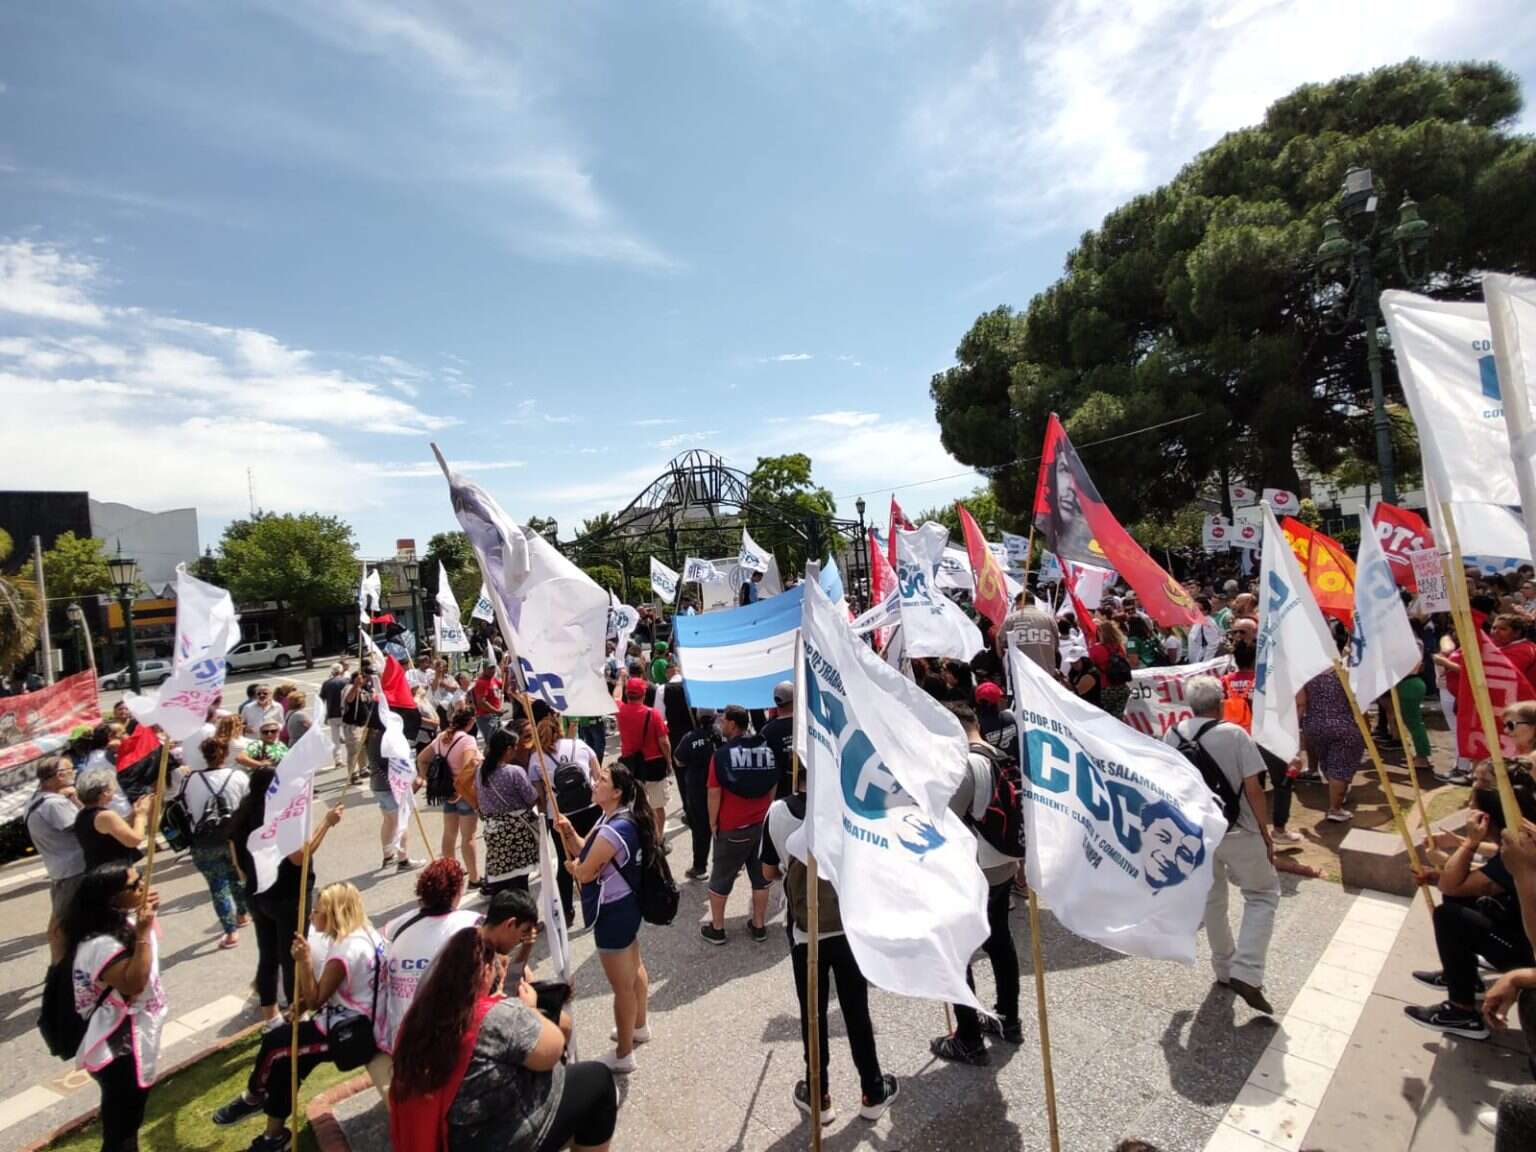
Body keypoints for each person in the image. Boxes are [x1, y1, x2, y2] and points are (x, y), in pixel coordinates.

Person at [389, 927, 617, 1152]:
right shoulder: (494, 1016)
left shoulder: (417, 1020)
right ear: (486, 971)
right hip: (496, 1138)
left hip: (441, 1135)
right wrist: (530, 1009)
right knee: (598, 1080)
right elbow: (553, 1049)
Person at [760, 763, 898, 1123]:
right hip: (848, 927)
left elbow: (768, 871)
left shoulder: (778, 812)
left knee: (813, 1014)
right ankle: (873, 1090)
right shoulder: (850, 808)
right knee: (856, 1010)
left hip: (805, 932)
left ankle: (818, 1093)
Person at [216, 882, 383, 1151]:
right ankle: (274, 1137)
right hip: (354, 1017)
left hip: (352, 1032)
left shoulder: (345, 952)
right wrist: (302, 1005)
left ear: (335, 914)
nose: (310, 916)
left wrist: (304, 962)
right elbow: (334, 992)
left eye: (316, 912)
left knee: (276, 1042)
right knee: (286, 1062)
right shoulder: (364, 933)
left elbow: (317, 999)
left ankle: (255, 1095)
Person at [1167, 676, 1279, 1014]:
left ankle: (1225, 968)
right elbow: (1254, 787)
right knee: (1262, 894)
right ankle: (1248, 970)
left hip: (1198, 831)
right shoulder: (1234, 734)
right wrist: (1265, 830)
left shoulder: (1173, 734)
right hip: (1240, 828)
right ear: (1220, 703)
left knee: (1212, 899)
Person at [1404, 776, 1536, 1039]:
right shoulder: (1523, 841)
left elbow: (1452, 885)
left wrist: (1469, 842)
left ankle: (1461, 1011)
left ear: (1487, 817)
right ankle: (1464, 977)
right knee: (1459, 901)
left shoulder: (1520, 855)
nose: (1467, 807)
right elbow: (1477, 881)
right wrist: (1439, 871)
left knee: (1449, 915)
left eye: (1471, 805)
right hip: (1520, 934)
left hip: (1527, 956)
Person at [931, 703, 1024, 1064]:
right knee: (1000, 939)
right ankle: (1008, 1018)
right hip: (1003, 864)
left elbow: (944, 820)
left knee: (956, 952)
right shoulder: (999, 756)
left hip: (974, 871)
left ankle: (968, 1037)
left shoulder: (965, 765)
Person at [555, 763, 651, 1074]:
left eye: (603, 780)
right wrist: (570, 833)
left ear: (617, 792)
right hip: (627, 905)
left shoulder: (614, 827)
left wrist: (573, 869)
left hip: (614, 910)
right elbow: (587, 850)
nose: (595, 782)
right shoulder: (613, 817)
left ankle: (624, 1054)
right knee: (634, 967)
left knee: (621, 987)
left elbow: (585, 871)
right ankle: (638, 1027)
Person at [63, 863, 166, 1152]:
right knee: (122, 1131)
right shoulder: (100, 944)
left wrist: (145, 920)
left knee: (127, 1122)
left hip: (129, 1038)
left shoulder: (120, 924)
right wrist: (143, 931)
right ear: (111, 899)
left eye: (141, 879)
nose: (143, 886)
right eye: (134, 886)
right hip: (118, 1046)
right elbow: (134, 983)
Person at [228, 772, 345, 1025]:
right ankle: (297, 1016)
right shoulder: (279, 817)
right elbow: (299, 857)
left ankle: (271, 1018)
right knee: (293, 956)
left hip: (256, 893)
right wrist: (326, 823)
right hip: (287, 895)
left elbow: (238, 866)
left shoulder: (242, 816)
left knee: (267, 955)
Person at [380, 859, 481, 1056]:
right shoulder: (471, 923)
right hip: (444, 1038)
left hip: (398, 1038)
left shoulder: (395, 926)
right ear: (457, 891)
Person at [703, 704, 778, 945]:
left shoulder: (721, 755)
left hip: (732, 827)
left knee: (721, 878)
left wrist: (713, 823)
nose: (720, 724)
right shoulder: (766, 750)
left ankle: (717, 928)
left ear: (733, 725)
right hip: (761, 825)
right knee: (760, 878)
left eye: (723, 720)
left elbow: (714, 792)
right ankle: (758, 925)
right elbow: (773, 783)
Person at [525, 710, 601, 928]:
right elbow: (597, 776)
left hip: (559, 814)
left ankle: (567, 911)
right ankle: (597, 900)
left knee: (565, 861)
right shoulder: (580, 745)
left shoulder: (536, 758)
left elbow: (539, 795)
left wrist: (544, 814)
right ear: (560, 728)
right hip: (590, 808)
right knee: (593, 854)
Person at [182, 731, 252, 949]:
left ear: (204, 755)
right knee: (237, 877)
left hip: (203, 841)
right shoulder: (239, 777)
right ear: (226, 753)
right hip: (235, 838)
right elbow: (249, 806)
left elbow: (185, 807)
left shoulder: (190, 780)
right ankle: (242, 913)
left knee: (217, 885)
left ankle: (230, 932)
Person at [1299, 639, 1364, 822]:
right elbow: (1357, 699)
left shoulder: (1306, 674)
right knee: (1340, 766)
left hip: (1314, 726)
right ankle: (1335, 807)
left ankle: (1338, 794)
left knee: (1328, 763)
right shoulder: (1345, 673)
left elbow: (1301, 701)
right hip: (1343, 726)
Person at [25, 756, 83, 960]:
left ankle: (58, 968)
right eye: (70, 769)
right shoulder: (55, 804)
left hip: (60, 870)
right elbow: (87, 825)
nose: (73, 772)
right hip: (76, 870)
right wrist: (76, 800)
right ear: (59, 776)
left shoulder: (36, 800)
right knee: (69, 926)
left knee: (59, 926)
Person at [418, 708, 482, 889]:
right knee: (468, 837)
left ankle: (450, 873)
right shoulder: (468, 740)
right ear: (470, 722)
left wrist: (428, 779)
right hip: (463, 793)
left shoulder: (442, 737)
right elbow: (467, 768)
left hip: (446, 791)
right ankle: (475, 878)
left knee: (449, 833)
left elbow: (422, 758)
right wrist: (462, 792)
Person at [478, 725, 542, 896]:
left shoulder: (480, 771)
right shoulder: (514, 772)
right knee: (520, 883)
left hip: (493, 831)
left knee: (501, 883)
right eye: (515, 746)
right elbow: (531, 798)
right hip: (517, 833)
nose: (517, 749)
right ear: (507, 749)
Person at [616, 677, 671, 845]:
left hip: (631, 765)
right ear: (644, 694)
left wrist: (620, 680)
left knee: (636, 805)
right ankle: (658, 840)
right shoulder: (653, 714)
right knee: (657, 805)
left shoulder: (619, 710)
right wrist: (669, 762)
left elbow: (615, 697)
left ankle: (640, 840)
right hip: (654, 764)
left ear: (627, 693)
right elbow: (664, 742)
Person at [672, 708, 721, 881]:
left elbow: (678, 759)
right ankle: (728, 865)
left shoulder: (690, 737)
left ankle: (700, 868)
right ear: (715, 717)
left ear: (698, 718)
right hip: (721, 789)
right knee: (722, 827)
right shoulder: (721, 734)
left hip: (697, 790)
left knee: (700, 830)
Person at [73, 767, 151, 870]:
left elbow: (120, 831)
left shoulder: (83, 815)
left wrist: (135, 814)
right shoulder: (105, 816)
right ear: (105, 792)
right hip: (114, 871)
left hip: (103, 870)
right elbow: (134, 840)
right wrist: (141, 815)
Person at [759, 681, 796, 795]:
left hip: (778, 793)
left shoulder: (767, 730)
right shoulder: (805, 725)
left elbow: (763, 766)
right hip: (807, 791)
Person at [341, 670, 373, 785]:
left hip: (363, 724)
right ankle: (353, 775)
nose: (367, 680)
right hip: (352, 725)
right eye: (365, 678)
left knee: (362, 748)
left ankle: (363, 768)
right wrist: (355, 685)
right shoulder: (349, 688)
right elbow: (349, 699)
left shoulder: (362, 689)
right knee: (353, 751)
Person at [974, 681, 1017, 758]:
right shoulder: (1010, 716)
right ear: (997, 701)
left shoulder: (976, 726)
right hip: (1014, 763)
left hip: (993, 764)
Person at [320, 663, 350, 772]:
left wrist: (324, 715)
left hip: (332, 714)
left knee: (335, 740)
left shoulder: (326, 683)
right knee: (349, 737)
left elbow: (321, 699)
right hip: (345, 713)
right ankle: (351, 758)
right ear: (341, 671)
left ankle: (338, 760)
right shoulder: (346, 681)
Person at [472, 663, 505, 742]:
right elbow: (481, 703)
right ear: (484, 669)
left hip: (495, 715)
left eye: (493, 668)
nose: (492, 670)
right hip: (486, 717)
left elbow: (504, 687)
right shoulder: (481, 683)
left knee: (499, 741)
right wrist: (496, 711)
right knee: (492, 742)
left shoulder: (493, 679)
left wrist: (505, 673)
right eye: (489, 668)